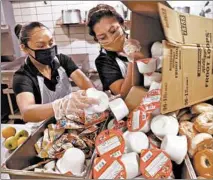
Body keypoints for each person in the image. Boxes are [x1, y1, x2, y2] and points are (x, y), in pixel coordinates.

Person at [13, 22, 97, 123]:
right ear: (24, 48)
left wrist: (97, 97)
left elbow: (86, 85)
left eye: (51, 42)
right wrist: (61, 105)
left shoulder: (62, 61)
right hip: (42, 130)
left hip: (69, 122)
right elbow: (27, 113)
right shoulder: (22, 76)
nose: (48, 48)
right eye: (41, 46)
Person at [87, 4, 144, 98]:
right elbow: (122, 93)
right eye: (102, 37)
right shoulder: (103, 61)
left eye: (113, 31)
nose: (111, 38)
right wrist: (131, 60)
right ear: (97, 40)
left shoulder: (139, 40)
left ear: (122, 25)